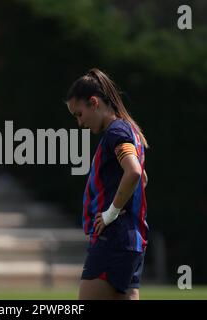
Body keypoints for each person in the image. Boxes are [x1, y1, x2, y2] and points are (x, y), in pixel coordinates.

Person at [66, 68, 149, 300]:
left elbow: (133, 173)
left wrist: (111, 212)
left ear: (94, 102)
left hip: (113, 239)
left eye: (79, 114)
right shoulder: (130, 130)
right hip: (132, 241)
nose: (79, 123)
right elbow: (141, 177)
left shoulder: (116, 132)